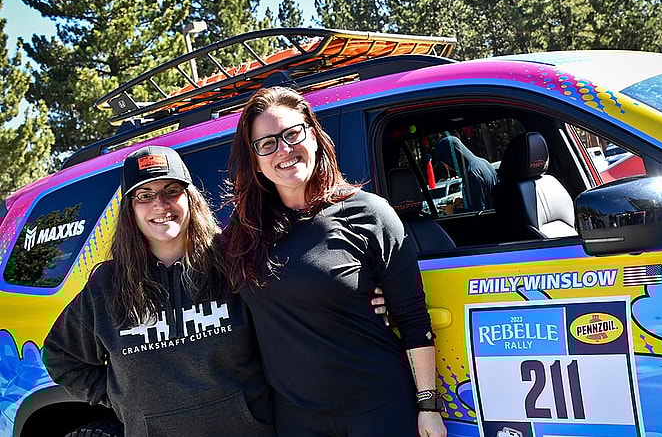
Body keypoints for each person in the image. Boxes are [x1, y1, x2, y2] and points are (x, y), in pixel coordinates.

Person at [224, 86, 448, 437]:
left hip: (379, 410)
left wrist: (427, 406)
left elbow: (413, 318)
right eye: (266, 143)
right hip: (296, 419)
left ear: (313, 135)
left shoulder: (369, 213)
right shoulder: (243, 234)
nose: (283, 149)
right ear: (255, 160)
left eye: (292, 133)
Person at [43, 145, 275, 436]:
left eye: (171, 191)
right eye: (145, 195)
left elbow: (278, 342)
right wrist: (121, 396)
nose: (160, 204)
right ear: (131, 210)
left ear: (190, 199)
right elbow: (61, 357)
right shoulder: (107, 284)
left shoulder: (232, 261)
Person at [432, 134, 498, 212]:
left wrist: (453, 211)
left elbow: (477, 212)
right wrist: (465, 201)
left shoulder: (471, 173)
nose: (446, 167)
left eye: (444, 163)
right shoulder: (483, 162)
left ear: (450, 157)